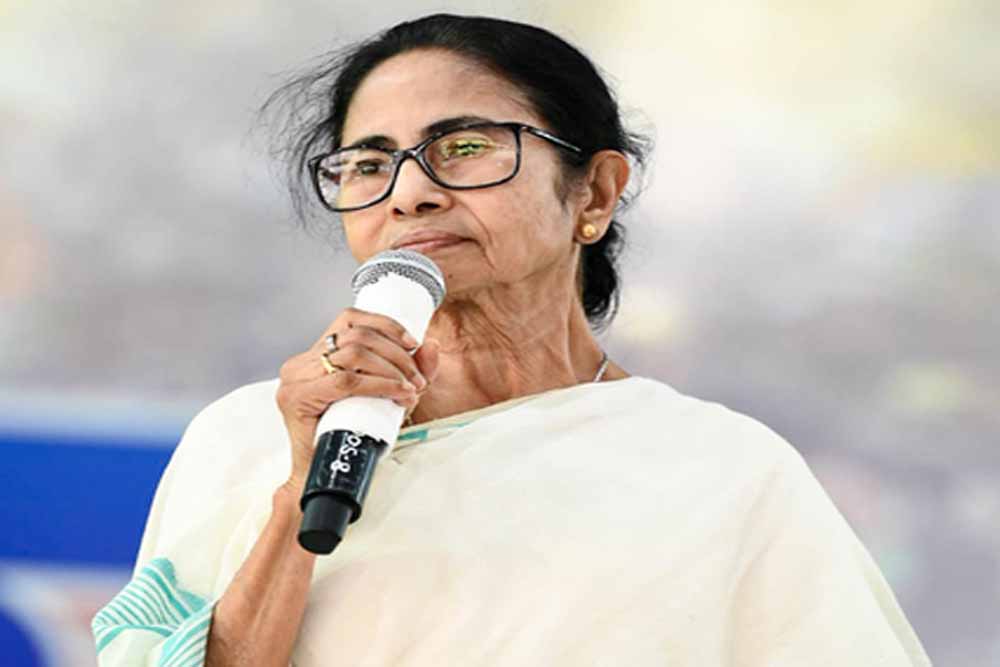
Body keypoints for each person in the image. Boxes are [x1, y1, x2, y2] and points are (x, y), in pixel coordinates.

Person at [92, 13, 932, 667]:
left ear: (594, 193)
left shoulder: (725, 473)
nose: (409, 193)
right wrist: (296, 493)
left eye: (464, 148)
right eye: (369, 164)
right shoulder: (245, 438)